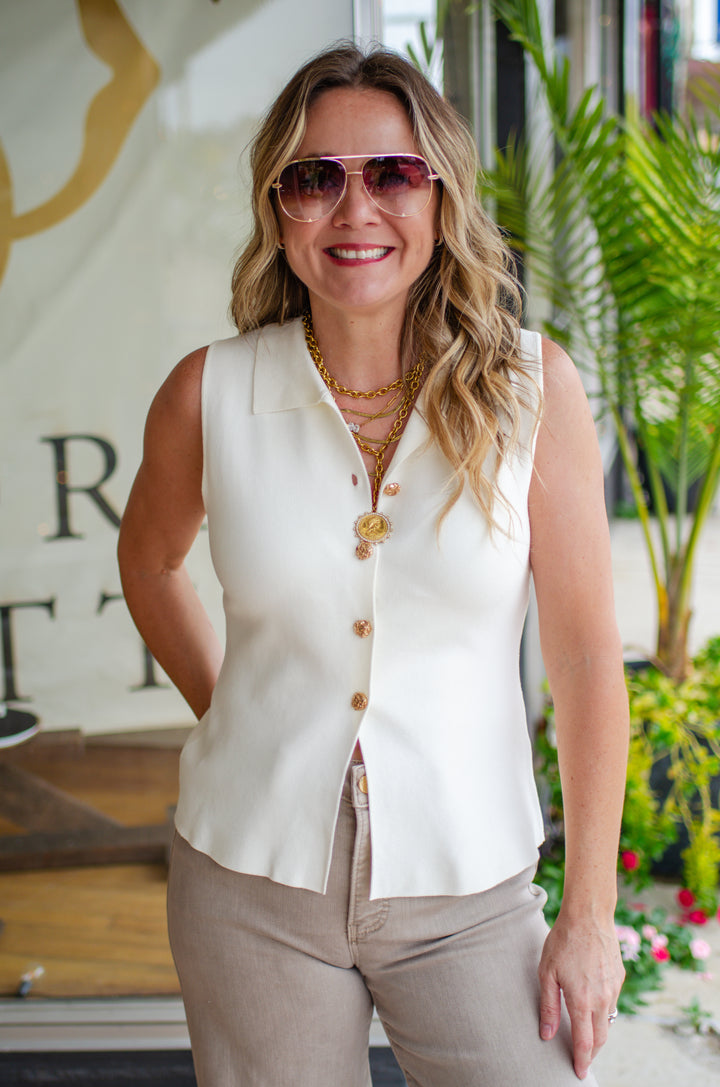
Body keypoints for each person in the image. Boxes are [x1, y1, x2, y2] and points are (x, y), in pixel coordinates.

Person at [118, 42, 629, 1087]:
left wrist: (588, 916)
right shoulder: (205, 394)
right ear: (278, 210)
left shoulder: (536, 391)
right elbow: (151, 563)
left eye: (392, 173)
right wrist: (231, 710)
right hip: (248, 890)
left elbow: (582, 660)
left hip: (471, 887)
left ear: (441, 196)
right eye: (316, 179)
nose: (355, 211)